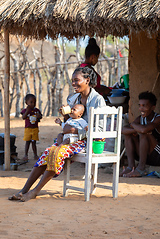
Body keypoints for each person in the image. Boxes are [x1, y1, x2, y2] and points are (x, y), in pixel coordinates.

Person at [9, 66, 106, 202]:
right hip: (70, 139)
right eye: (72, 80)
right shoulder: (73, 98)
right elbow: (69, 122)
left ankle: (35, 192)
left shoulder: (98, 100)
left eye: (76, 80)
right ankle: (25, 189)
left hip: (89, 142)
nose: (73, 83)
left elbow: (100, 129)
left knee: (58, 153)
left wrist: (77, 131)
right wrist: (65, 116)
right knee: (48, 152)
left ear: (87, 80)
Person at [120, 91, 160, 177]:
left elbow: (144, 130)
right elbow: (123, 130)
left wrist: (134, 125)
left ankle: (141, 169)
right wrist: (137, 129)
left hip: (157, 155)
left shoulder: (157, 118)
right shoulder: (141, 118)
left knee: (145, 133)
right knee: (129, 135)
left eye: (144, 106)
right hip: (146, 155)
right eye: (140, 105)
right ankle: (131, 167)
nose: (141, 109)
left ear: (153, 107)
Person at [21, 94, 42, 162]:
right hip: (28, 129)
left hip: (35, 128)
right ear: (26, 103)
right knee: (27, 142)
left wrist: (39, 116)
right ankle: (25, 155)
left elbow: (40, 117)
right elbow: (23, 117)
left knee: (34, 142)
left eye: (34, 102)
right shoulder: (25, 110)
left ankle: (35, 155)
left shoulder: (36, 110)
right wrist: (27, 110)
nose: (33, 104)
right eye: (31, 102)